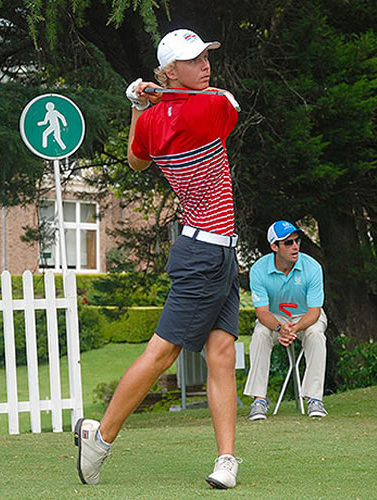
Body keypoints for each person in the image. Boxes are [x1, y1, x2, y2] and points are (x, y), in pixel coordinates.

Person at [74, 28, 242, 489]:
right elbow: (229, 103)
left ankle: (226, 459)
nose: (205, 66)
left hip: (215, 251)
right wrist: (155, 97)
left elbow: (136, 160)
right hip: (203, 252)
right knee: (162, 352)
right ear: (170, 71)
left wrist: (139, 104)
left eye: (206, 56)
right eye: (192, 60)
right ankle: (100, 436)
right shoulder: (209, 108)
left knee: (222, 353)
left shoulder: (152, 120)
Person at [243, 220, 328, 420]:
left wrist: (295, 328)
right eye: (288, 243)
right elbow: (262, 313)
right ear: (274, 247)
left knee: (316, 333)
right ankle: (259, 401)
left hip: (306, 316)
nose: (295, 246)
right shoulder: (258, 270)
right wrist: (281, 328)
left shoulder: (313, 267)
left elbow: (315, 311)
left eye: (297, 240)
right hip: (275, 318)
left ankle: (315, 399)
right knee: (261, 333)